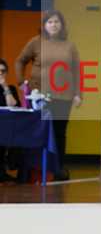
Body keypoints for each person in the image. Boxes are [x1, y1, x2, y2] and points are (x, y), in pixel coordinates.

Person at [15, 10, 83, 181]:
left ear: (62, 25)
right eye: (50, 22)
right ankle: (33, 168)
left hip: (64, 97)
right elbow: (20, 61)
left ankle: (58, 168)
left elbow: (77, 71)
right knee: (38, 131)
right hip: (39, 96)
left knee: (59, 132)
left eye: (56, 22)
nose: (53, 25)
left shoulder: (70, 46)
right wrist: (21, 81)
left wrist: (78, 94)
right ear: (44, 25)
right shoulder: (36, 42)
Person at [0, 59, 20, 182]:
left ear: (6, 73)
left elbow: (13, 105)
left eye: (2, 71)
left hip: (7, 127)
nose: (0, 74)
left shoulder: (10, 88)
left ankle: (3, 171)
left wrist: (5, 87)